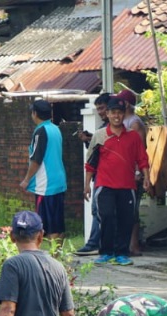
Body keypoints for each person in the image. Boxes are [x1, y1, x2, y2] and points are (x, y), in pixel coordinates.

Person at [83, 97, 149, 267]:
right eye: (113, 113)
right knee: (106, 216)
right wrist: (86, 186)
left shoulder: (133, 136)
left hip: (127, 186)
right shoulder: (99, 135)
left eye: (119, 113)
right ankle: (105, 252)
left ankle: (121, 253)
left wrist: (146, 177)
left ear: (123, 114)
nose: (116, 116)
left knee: (126, 219)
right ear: (108, 114)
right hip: (104, 185)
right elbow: (90, 162)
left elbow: (142, 159)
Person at [19, 100, 67, 240]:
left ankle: (51, 259)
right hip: (59, 181)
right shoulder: (55, 128)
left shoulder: (40, 131)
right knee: (58, 222)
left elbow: (36, 160)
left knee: (47, 225)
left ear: (35, 114)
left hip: (46, 184)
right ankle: (57, 257)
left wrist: (27, 180)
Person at [75, 92, 112, 257]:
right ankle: (95, 243)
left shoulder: (112, 128)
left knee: (100, 210)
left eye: (102, 108)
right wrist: (88, 140)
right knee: (97, 210)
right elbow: (95, 154)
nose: (100, 112)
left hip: (107, 175)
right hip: (100, 174)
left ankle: (95, 244)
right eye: (98, 109)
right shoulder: (102, 127)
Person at [116, 89, 148, 256]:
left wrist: (138, 172)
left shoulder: (134, 123)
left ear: (126, 104)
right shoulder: (124, 121)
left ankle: (134, 245)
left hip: (133, 173)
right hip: (123, 173)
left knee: (132, 210)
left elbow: (139, 150)